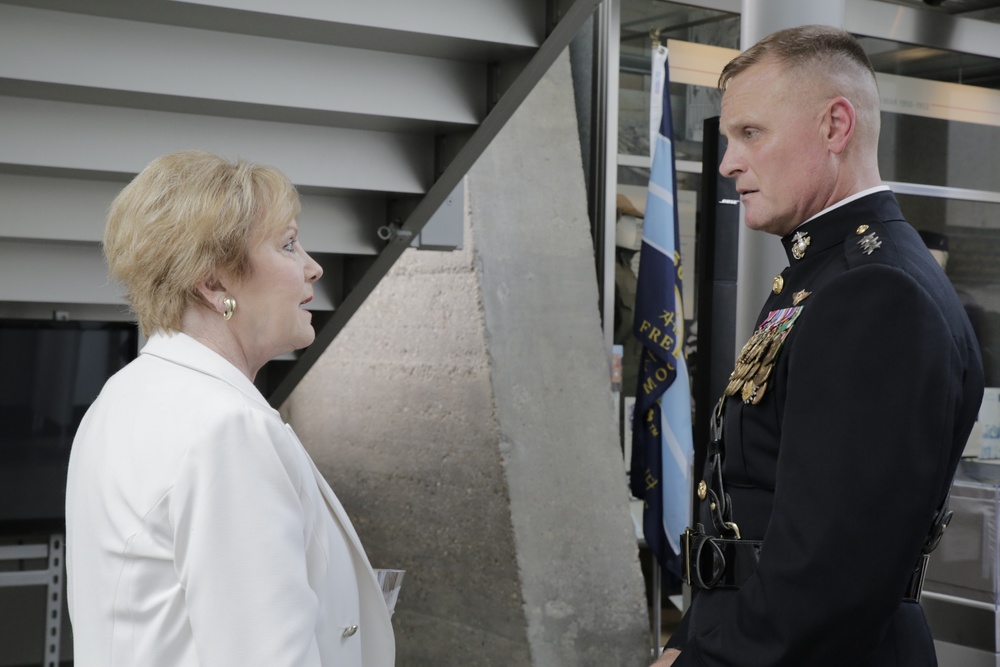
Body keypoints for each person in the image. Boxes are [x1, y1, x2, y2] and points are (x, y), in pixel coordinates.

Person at [654, 25, 984, 666]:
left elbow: (831, 569)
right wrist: (686, 641)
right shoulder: (829, 274)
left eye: (750, 134)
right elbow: (755, 515)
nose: (727, 162)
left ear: (836, 127)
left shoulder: (877, 293)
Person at [65, 150, 395, 667]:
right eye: (287, 245)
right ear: (214, 283)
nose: (313, 267)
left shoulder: (121, 397)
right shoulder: (225, 429)